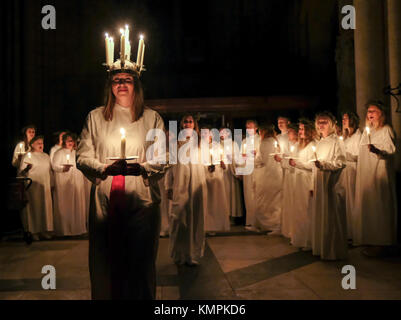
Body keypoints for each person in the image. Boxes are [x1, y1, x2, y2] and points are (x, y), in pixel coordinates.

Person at [76, 60, 167, 300]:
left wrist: (143, 168)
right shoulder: (95, 117)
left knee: (140, 263)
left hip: (142, 201)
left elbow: (164, 157)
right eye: (117, 80)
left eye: (127, 79)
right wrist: (104, 167)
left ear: (136, 84)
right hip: (106, 199)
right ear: (110, 86)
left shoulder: (151, 118)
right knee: (106, 261)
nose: (122, 84)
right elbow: (82, 156)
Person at [353, 101, 398, 256]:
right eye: (368, 111)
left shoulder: (386, 130)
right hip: (366, 174)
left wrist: (377, 150)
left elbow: (391, 150)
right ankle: (370, 239)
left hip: (379, 173)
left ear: (381, 114)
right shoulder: (367, 131)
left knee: (379, 207)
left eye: (374, 110)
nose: (370, 113)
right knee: (369, 206)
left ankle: (382, 243)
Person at [168, 114, 208, 266]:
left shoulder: (200, 142)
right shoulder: (175, 142)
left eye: (191, 121)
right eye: (185, 121)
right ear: (181, 124)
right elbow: (171, 165)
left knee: (195, 217)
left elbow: (205, 161)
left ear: (194, 124)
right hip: (180, 182)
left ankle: (193, 254)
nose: (188, 123)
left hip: (196, 182)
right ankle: (179, 253)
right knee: (179, 217)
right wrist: (169, 185)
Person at [310, 112, 347, 260]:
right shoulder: (319, 142)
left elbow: (341, 162)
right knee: (322, 216)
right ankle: (322, 248)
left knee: (332, 217)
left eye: (325, 122)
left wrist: (323, 164)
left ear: (332, 124)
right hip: (320, 183)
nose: (321, 124)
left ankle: (334, 251)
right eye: (319, 122)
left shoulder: (337, 141)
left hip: (332, 183)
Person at [18, 135, 54, 241]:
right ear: (32, 144)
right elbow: (21, 172)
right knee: (34, 208)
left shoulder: (46, 156)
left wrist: (52, 183)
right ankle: (33, 231)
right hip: (33, 186)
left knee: (45, 208)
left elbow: (50, 171)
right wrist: (27, 169)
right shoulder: (28, 156)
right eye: (38, 143)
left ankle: (44, 230)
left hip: (45, 186)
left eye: (42, 143)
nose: (41, 145)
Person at [52, 132, 87, 236]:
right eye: (68, 141)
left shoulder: (76, 152)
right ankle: (65, 229)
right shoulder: (59, 152)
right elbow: (54, 166)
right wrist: (63, 168)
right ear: (64, 142)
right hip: (64, 182)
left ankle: (77, 229)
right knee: (65, 204)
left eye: (72, 141)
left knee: (77, 203)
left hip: (76, 181)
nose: (70, 143)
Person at [289, 119, 316, 249]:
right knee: (298, 210)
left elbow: (313, 166)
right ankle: (299, 238)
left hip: (307, 180)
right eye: (299, 129)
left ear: (310, 131)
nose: (301, 132)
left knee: (307, 210)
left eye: (304, 129)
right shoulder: (299, 146)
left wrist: (297, 163)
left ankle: (308, 240)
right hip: (298, 181)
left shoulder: (313, 145)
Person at [253, 124, 282, 233]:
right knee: (275, 201)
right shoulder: (275, 142)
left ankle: (269, 225)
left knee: (265, 201)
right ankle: (275, 224)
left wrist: (254, 157)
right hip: (277, 174)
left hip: (266, 175)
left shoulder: (264, 142)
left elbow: (261, 160)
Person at [201, 125, 230, 234]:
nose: (205, 135)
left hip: (217, 178)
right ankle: (205, 225)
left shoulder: (218, 147)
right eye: (203, 133)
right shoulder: (200, 147)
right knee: (206, 202)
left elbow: (225, 163)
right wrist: (206, 166)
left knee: (216, 202)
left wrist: (223, 165)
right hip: (204, 177)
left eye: (207, 133)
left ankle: (216, 225)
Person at [338, 111, 361, 240]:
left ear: (353, 120)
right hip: (344, 171)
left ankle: (355, 232)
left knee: (352, 200)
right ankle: (346, 231)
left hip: (353, 171)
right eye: (343, 118)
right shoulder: (345, 137)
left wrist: (347, 155)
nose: (344, 120)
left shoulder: (359, 136)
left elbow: (360, 156)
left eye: (346, 118)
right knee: (344, 200)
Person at [274, 123, 299, 238]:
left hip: (295, 177)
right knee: (288, 201)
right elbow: (287, 160)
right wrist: (281, 159)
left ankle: (294, 230)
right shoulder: (289, 144)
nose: (288, 134)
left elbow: (294, 163)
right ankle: (288, 228)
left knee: (294, 201)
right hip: (288, 176)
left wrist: (282, 160)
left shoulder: (298, 145)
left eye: (290, 132)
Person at [219, 128, 243, 223]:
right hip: (221, 173)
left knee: (231, 195)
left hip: (231, 173)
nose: (222, 134)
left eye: (224, 132)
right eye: (220, 132)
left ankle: (232, 216)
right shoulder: (217, 145)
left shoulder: (233, 144)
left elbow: (238, 158)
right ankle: (223, 216)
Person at [242, 120, 260, 231]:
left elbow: (262, 153)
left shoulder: (260, 139)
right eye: (247, 127)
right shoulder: (244, 141)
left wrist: (255, 153)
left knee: (257, 194)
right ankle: (250, 221)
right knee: (248, 195)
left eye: (251, 127)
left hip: (257, 169)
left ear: (256, 128)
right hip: (247, 169)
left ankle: (258, 221)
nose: (248, 129)